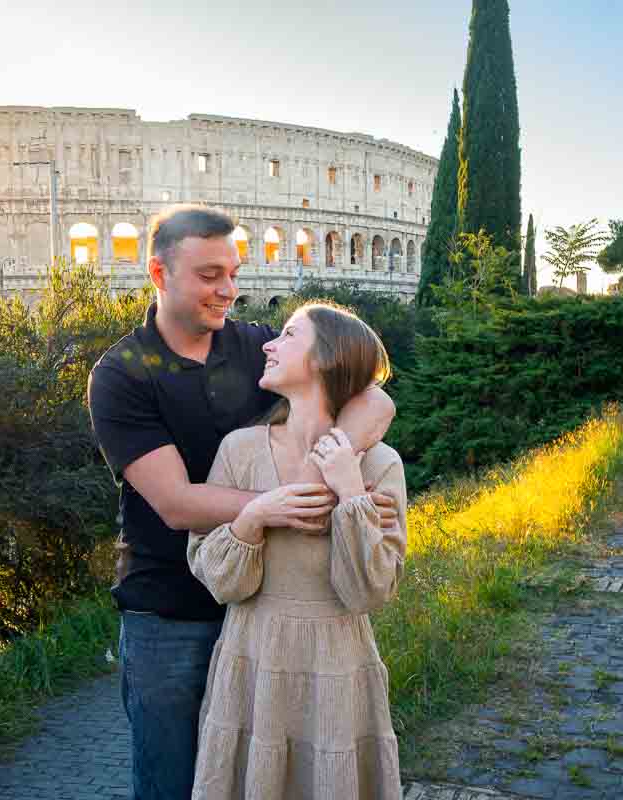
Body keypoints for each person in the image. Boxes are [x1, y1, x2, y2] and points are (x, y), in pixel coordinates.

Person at [87, 205, 396, 800]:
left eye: (232, 271)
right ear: (158, 273)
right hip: (169, 613)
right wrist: (296, 502)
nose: (228, 289)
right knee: (174, 785)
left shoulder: (257, 346)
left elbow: (375, 400)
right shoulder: (121, 374)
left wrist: (334, 472)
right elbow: (177, 504)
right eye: (209, 275)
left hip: (264, 617)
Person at [187, 302, 407, 800]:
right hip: (252, 658)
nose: (269, 344)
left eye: (288, 335)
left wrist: (350, 492)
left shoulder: (379, 462)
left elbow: (370, 590)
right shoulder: (239, 449)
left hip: (337, 663)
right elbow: (220, 580)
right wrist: (254, 516)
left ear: (327, 360)